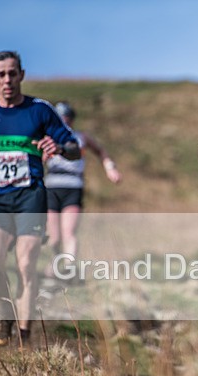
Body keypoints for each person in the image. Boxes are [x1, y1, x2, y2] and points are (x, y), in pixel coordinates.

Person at [0, 51, 81, 347]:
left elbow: (75, 148)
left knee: (25, 265)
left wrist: (60, 149)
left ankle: (24, 338)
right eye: (1, 74)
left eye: (12, 73)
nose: (7, 80)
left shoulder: (40, 110)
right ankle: (5, 309)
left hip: (31, 197)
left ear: (21, 74)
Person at [42, 101, 121, 280]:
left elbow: (101, 152)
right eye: (60, 118)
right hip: (51, 188)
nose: (64, 122)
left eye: (67, 118)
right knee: (53, 237)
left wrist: (110, 168)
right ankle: (55, 263)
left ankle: (69, 268)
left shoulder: (81, 138)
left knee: (69, 232)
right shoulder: (47, 138)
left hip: (73, 187)